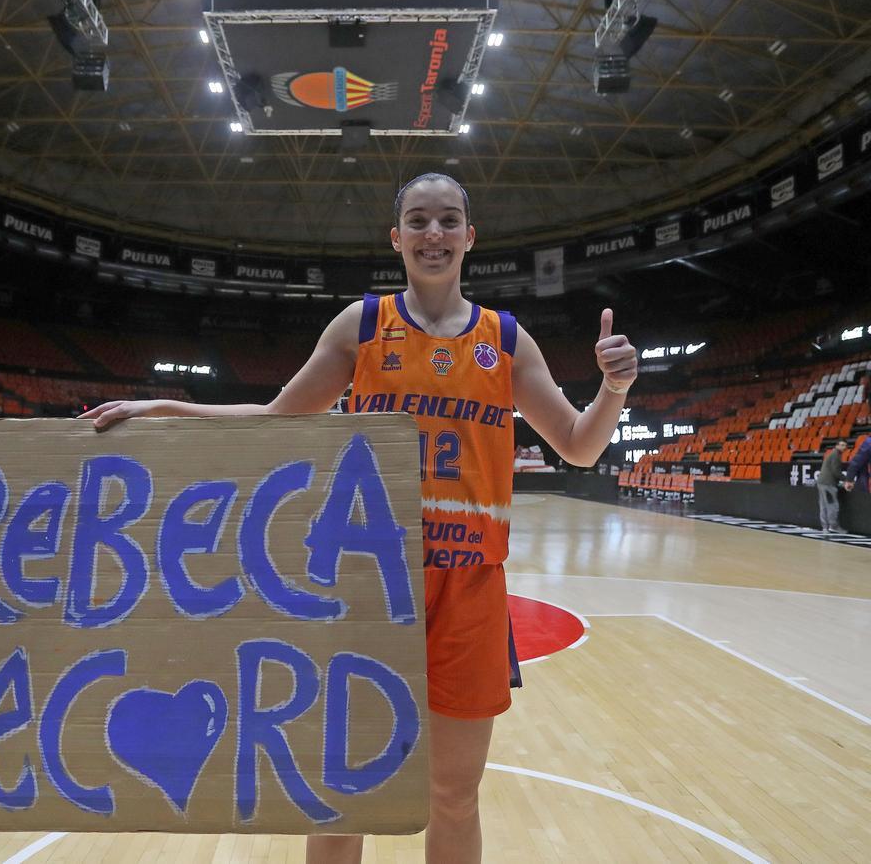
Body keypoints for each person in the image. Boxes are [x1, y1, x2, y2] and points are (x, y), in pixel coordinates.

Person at [82, 173, 638, 863]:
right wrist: (163, 408)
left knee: (454, 795)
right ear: (396, 236)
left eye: (446, 221)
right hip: (370, 588)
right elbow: (276, 419)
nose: (432, 234)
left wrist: (613, 390)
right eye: (418, 220)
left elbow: (580, 445)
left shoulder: (508, 340)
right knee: (347, 789)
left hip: (468, 587)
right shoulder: (363, 326)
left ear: (470, 237)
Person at [816, 440, 847, 532]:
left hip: (822, 482)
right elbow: (836, 471)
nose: (844, 447)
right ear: (837, 446)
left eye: (845, 445)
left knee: (824, 505)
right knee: (833, 505)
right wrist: (846, 479)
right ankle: (833, 526)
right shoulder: (836, 455)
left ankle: (825, 527)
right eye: (842, 445)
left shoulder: (832, 454)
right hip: (828, 484)